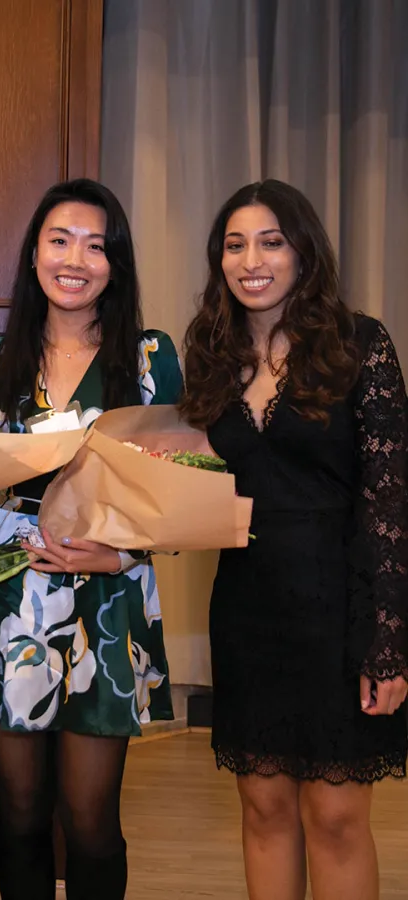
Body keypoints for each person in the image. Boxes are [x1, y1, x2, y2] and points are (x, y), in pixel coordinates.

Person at [179, 179, 408, 900]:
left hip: (341, 610)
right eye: (235, 244)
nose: (252, 259)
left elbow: (390, 505)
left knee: (336, 816)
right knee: (264, 807)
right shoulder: (209, 352)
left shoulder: (359, 344)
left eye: (271, 241)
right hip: (247, 609)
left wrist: (388, 643)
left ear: (303, 253)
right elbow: (197, 478)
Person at [0, 178, 182, 900]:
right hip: (11, 592)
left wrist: (120, 553)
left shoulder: (150, 358)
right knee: (17, 814)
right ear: (33, 255)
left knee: (89, 821)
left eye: (97, 245)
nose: (76, 258)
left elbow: (185, 489)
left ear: (116, 264)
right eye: (60, 240)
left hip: (110, 593)